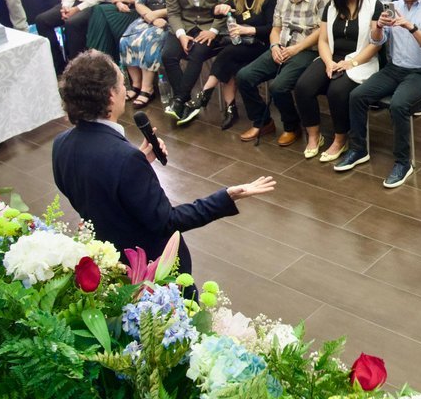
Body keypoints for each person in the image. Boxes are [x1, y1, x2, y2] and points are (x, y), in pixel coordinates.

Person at [52, 50, 275, 275]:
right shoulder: (125, 160)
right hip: (151, 266)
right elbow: (168, 221)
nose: (124, 89)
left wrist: (137, 165)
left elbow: (98, 192)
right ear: (111, 95)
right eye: (122, 83)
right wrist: (227, 196)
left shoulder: (61, 144)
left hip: (109, 259)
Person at [335, 0, 421, 189]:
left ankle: (403, 163)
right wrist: (377, 27)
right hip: (395, 69)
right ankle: (358, 149)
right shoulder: (392, 6)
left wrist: (412, 27)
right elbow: (377, 41)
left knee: (398, 105)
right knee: (357, 95)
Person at [292, 0, 383, 162]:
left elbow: (375, 45)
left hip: (361, 60)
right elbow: (323, 41)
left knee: (337, 91)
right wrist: (328, 63)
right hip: (332, 57)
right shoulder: (331, 8)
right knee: (303, 87)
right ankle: (314, 135)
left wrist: (351, 62)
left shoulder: (374, 5)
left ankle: (341, 139)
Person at [235, 0, 330, 146]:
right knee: (244, 76)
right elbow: (276, 28)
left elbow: (322, 31)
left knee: (278, 86)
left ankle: (291, 126)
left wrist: (297, 48)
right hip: (282, 47)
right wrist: (274, 46)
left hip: (308, 50)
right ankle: (263, 122)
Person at [186, 0, 276, 131]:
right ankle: (230, 109)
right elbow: (215, 13)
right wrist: (219, 9)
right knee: (232, 62)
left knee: (228, 53)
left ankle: (205, 93)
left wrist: (248, 30)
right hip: (241, 46)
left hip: (262, 45)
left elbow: (273, 28)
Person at [160, 0, 233, 124]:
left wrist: (214, 31)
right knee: (168, 55)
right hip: (184, 25)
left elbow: (227, 5)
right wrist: (181, 35)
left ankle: (179, 101)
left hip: (211, 25)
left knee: (196, 53)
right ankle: (183, 100)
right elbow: (173, 13)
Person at [118, 0, 170, 110]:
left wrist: (156, 15)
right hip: (148, 17)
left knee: (148, 40)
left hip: (169, 18)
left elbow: (179, 5)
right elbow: (139, 2)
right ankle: (136, 84)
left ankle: (148, 88)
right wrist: (149, 16)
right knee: (125, 40)